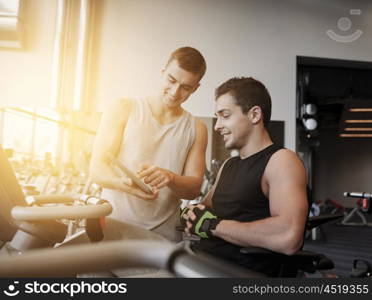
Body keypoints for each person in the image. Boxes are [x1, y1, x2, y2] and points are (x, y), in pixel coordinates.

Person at [181, 77, 309, 276]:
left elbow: (288, 235)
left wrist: (213, 226)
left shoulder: (281, 161)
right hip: (202, 264)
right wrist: (190, 213)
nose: (217, 125)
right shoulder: (229, 165)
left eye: (225, 115)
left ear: (254, 114)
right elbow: (204, 209)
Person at [90, 47, 208, 243]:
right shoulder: (123, 108)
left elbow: (194, 188)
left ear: (196, 88)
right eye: (171, 80)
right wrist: (122, 184)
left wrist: (170, 178)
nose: (175, 92)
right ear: (162, 73)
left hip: (162, 239)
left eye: (186, 87)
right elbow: (96, 170)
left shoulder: (197, 128)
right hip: (112, 230)